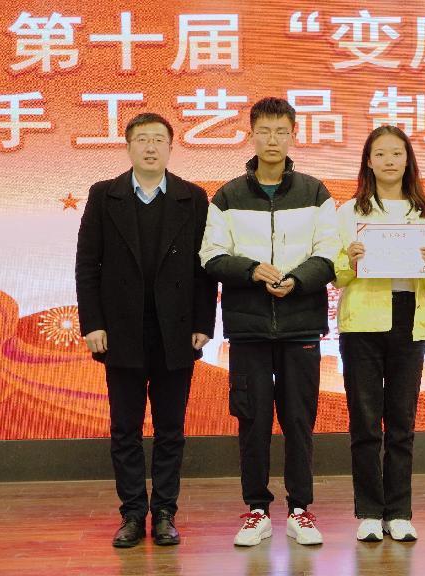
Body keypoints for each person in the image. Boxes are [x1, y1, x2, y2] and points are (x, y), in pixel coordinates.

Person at [199, 97, 339, 546]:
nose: (272, 139)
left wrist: (296, 280)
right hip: (249, 329)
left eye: (281, 131)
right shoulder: (228, 196)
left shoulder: (315, 193)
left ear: (294, 135)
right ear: (251, 135)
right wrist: (252, 270)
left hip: (301, 325)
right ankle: (256, 510)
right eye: (264, 131)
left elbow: (330, 253)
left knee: (299, 420)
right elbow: (210, 255)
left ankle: (300, 510)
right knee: (253, 421)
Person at [75, 112, 217, 548]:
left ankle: (166, 512)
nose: (150, 147)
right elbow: (87, 265)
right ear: (128, 147)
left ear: (171, 147)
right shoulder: (104, 195)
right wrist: (93, 323)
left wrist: (203, 323)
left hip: (176, 331)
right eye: (142, 139)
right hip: (121, 331)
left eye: (158, 139)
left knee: (171, 429)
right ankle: (133, 514)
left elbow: (204, 267)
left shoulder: (193, 198)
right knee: (126, 429)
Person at [334, 125, 425, 543]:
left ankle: (399, 512)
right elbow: (334, 272)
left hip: (409, 318)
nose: (389, 161)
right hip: (362, 321)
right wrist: (349, 260)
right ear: (368, 162)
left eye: (397, 154)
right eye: (381, 154)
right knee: (365, 423)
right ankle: (370, 512)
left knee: (402, 422)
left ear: (408, 161)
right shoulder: (350, 212)